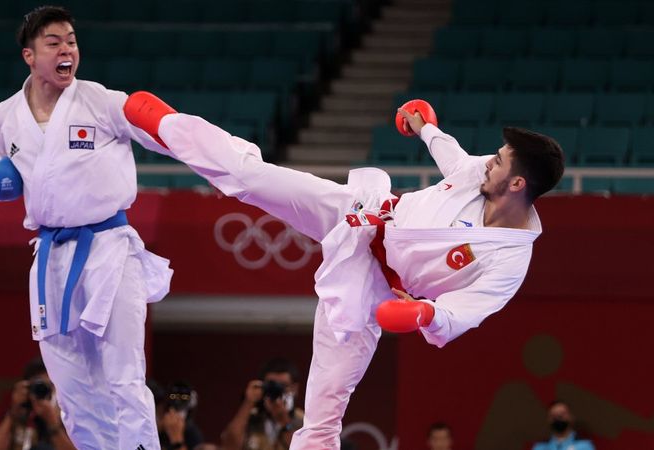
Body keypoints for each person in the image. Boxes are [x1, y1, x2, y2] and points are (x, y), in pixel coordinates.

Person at [121, 92, 565, 449]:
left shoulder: (509, 259)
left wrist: (424, 315)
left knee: (323, 414)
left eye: (501, 160)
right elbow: (455, 159)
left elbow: (467, 310)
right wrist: (426, 127)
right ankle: (167, 124)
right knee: (251, 176)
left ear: (517, 184)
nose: (490, 160)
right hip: (362, 213)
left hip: (372, 289)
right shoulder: (483, 176)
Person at [0, 7, 173, 449]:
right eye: (55, 42)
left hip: (110, 248)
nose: (67, 49)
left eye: (71, 41)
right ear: (30, 56)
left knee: (125, 375)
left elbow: (167, 133)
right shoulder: (5, 115)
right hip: (51, 256)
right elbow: (4, 169)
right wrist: (2, 185)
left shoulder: (103, 101)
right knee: (71, 387)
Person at [0, 358, 76, 450]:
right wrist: (13, 413)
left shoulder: (70, 418)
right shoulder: (21, 416)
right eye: (38, 386)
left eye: (48, 386)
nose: (42, 391)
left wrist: (52, 423)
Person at [221, 358, 304, 450]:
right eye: (272, 385)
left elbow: (303, 448)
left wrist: (284, 422)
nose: (276, 391)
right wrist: (248, 402)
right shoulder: (251, 417)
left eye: (283, 386)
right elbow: (229, 445)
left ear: (295, 389)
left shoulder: (304, 420)